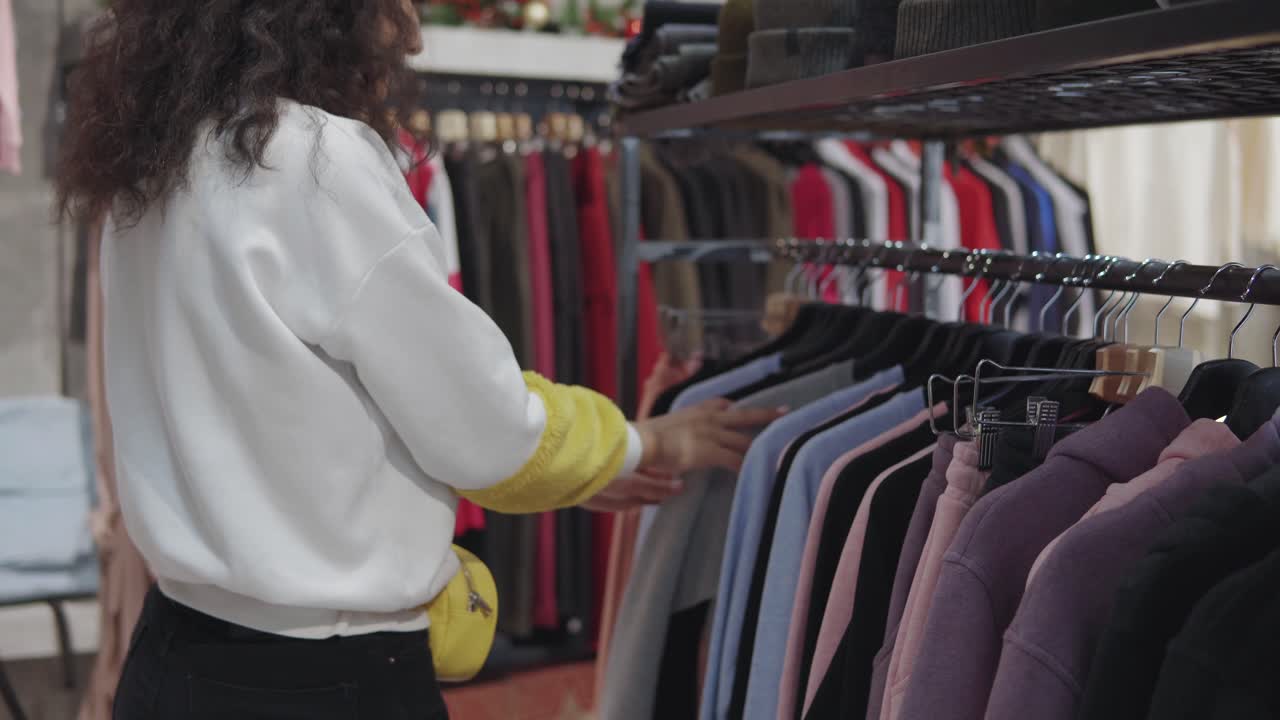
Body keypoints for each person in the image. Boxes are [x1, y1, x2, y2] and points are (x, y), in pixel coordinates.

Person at [55, 1, 783, 717]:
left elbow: (299, 403)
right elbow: (482, 424)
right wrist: (641, 442)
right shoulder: (316, 162)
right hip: (320, 676)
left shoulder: (153, 160)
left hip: (176, 651)